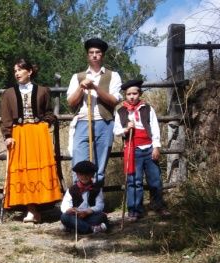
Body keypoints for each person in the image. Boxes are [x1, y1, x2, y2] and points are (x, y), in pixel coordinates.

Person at [0, 58, 62, 223]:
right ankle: (30, 209)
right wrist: (7, 136)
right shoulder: (9, 93)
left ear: (30, 71)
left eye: (20, 70)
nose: (17, 73)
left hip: (37, 134)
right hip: (19, 134)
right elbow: (5, 117)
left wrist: (45, 123)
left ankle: (37, 209)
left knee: (37, 170)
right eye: (15, 71)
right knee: (24, 171)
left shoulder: (42, 91)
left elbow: (49, 112)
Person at [67, 38, 122, 185]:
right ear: (87, 55)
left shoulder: (113, 76)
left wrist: (95, 88)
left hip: (105, 123)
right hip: (83, 121)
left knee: (100, 163)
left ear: (102, 55)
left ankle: (95, 202)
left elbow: (114, 101)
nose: (95, 55)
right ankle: (79, 201)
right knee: (79, 161)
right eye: (91, 52)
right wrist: (81, 88)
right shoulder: (77, 77)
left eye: (98, 52)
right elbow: (71, 102)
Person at [113, 79, 170, 221]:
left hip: (149, 148)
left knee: (155, 179)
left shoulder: (148, 109)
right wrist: (126, 128)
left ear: (140, 93)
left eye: (134, 93)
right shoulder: (121, 112)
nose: (132, 96)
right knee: (134, 181)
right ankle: (135, 209)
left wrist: (156, 146)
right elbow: (116, 130)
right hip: (133, 150)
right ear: (125, 96)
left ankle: (158, 206)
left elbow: (155, 128)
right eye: (128, 94)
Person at [60, 161, 107, 234]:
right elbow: (64, 205)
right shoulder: (72, 190)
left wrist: (88, 211)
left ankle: (75, 227)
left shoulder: (97, 189)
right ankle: (92, 229)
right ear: (77, 175)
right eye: (81, 174)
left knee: (102, 216)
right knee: (64, 217)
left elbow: (100, 205)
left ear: (92, 174)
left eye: (87, 174)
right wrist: (69, 209)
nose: (84, 177)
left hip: (89, 215)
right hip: (76, 216)